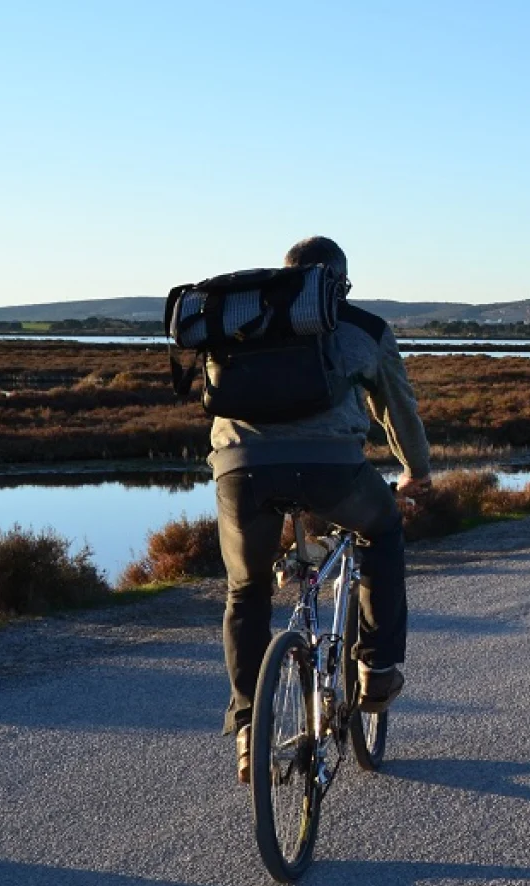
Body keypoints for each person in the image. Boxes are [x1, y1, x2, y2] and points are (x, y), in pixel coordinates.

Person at [213, 236, 432, 784]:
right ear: (339, 282)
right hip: (332, 468)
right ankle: (376, 671)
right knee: (381, 529)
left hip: (241, 469)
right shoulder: (364, 328)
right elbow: (397, 410)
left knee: (246, 591)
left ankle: (248, 728)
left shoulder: (241, 317)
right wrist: (416, 470)